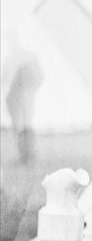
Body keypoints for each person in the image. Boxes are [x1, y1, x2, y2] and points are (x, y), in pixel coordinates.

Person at [2, 28, 43, 165]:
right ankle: (24, 157)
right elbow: (5, 78)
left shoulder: (29, 56)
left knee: (27, 125)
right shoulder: (10, 57)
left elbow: (38, 76)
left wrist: (29, 89)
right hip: (15, 98)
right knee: (20, 126)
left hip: (26, 96)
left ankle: (29, 156)